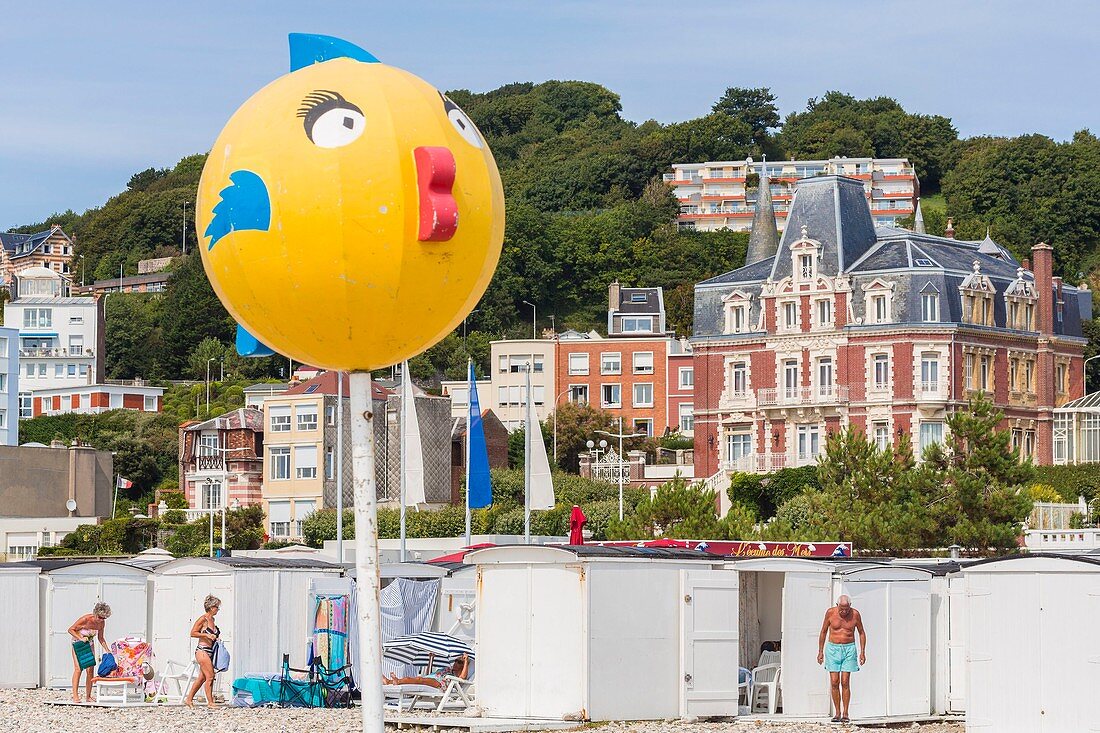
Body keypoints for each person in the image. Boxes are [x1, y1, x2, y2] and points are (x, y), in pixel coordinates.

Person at [817, 595, 866, 724]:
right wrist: (820, 651)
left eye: (846, 609)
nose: (844, 612)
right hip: (833, 649)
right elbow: (823, 631)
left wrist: (862, 652)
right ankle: (837, 712)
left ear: (850, 606)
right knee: (834, 681)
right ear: (837, 605)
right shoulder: (830, 613)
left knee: (845, 681)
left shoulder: (855, 614)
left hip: (849, 649)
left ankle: (845, 713)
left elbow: (861, 632)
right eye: (842, 609)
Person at [68, 602, 111, 703]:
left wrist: (107, 650)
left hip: (89, 644)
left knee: (90, 670)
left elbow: (100, 638)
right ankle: (75, 696)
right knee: (78, 669)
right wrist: (80, 638)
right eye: (100, 617)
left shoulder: (101, 623)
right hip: (78, 643)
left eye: (104, 618)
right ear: (95, 614)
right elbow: (70, 629)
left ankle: (88, 696)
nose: (102, 620)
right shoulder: (85, 619)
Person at [184, 595, 222, 708]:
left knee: (202, 678)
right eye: (217, 607)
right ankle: (210, 702)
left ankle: (189, 699)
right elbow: (193, 633)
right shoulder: (203, 619)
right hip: (202, 650)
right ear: (211, 607)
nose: (218, 610)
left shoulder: (212, 620)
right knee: (210, 676)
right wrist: (206, 635)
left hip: (210, 651)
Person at [382, 653, 470, 689]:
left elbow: (463, 677)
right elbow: (430, 675)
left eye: (459, 662)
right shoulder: (447, 669)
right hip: (433, 679)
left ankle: (397, 681)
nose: (455, 663)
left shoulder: (457, 675)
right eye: (455, 661)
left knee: (418, 680)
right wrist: (431, 659)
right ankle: (389, 681)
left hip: (441, 683)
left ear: (462, 665)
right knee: (419, 679)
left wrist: (466, 661)